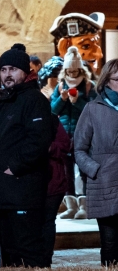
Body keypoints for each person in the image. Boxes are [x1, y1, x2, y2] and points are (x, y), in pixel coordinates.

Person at [0, 43, 52, 268]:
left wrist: (14, 166)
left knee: (29, 250)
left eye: (12, 69)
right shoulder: (6, 100)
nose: (7, 74)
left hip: (23, 189)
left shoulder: (34, 100)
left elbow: (38, 141)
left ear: (26, 72)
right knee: (10, 251)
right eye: (3, 70)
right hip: (5, 191)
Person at [74, 59, 118, 266]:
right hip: (105, 183)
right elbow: (79, 149)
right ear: (107, 81)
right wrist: (96, 170)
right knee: (110, 245)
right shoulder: (93, 109)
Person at [51, 46, 96, 216]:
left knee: (83, 170)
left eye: (74, 70)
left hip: (83, 133)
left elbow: (93, 110)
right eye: (69, 70)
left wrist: (77, 101)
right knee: (65, 170)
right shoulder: (60, 85)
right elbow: (53, 111)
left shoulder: (88, 86)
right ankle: (71, 206)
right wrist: (62, 99)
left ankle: (84, 206)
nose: (72, 74)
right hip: (63, 134)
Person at [42, 115, 71, 267]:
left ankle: (45, 263)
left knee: (47, 222)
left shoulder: (51, 119)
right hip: (27, 183)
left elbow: (65, 144)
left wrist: (49, 147)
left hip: (52, 182)